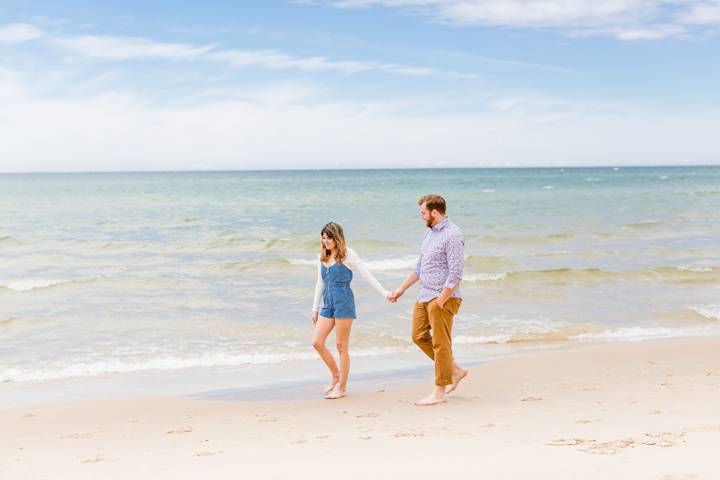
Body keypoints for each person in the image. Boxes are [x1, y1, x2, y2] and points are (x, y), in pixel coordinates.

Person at [388, 194, 468, 406]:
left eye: (423, 212)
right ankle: (455, 370)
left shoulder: (453, 234)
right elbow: (419, 267)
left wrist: (441, 300)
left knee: (442, 344)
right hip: (424, 294)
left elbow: (456, 273)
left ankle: (439, 392)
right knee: (418, 335)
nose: (421, 216)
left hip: (443, 298)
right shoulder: (429, 233)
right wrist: (401, 289)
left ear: (435, 212)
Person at [311, 222, 390, 399]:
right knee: (317, 342)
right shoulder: (322, 256)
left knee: (341, 346)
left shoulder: (348, 254)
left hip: (343, 302)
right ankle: (336, 375)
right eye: (323, 238)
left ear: (336, 237)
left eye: (329, 238)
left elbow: (367, 275)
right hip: (327, 303)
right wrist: (315, 308)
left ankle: (342, 387)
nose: (326, 242)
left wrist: (385, 293)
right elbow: (320, 283)